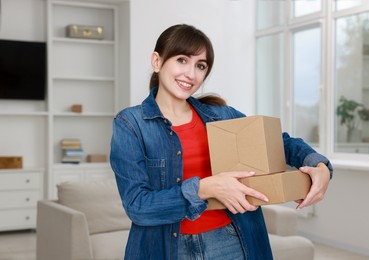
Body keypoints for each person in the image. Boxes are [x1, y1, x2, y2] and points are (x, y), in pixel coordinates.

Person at [110, 24, 333, 260]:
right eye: (182, 60)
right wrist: (205, 188)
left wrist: (319, 165)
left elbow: (280, 142)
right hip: (166, 249)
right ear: (157, 61)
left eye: (200, 66)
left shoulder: (221, 115)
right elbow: (138, 206)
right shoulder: (131, 124)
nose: (191, 74)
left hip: (232, 240)